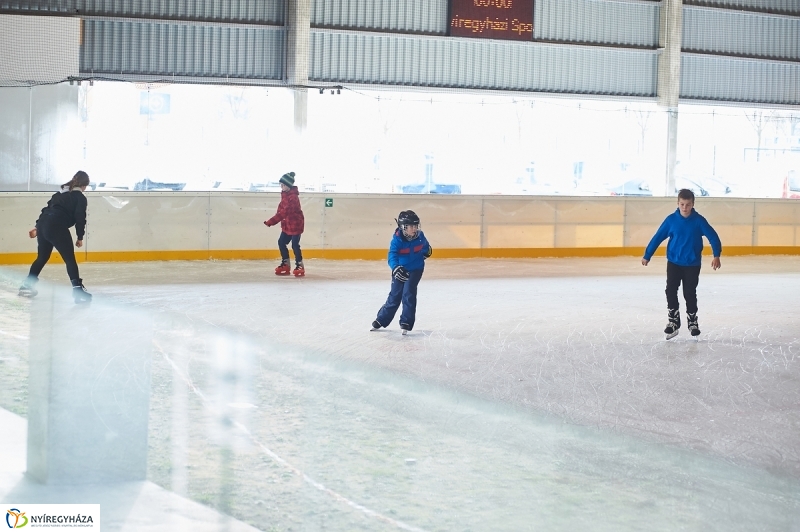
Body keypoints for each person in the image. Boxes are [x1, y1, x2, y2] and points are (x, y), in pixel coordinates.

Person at [642, 188, 721, 339]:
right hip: (674, 262)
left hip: (692, 264)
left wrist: (716, 255)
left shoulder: (699, 221)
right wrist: (647, 255)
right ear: (677, 203)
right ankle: (673, 321)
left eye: (688, 204)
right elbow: (658, 237)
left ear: (693, 204)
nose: (685, 208)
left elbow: (713, 236)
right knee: (670, 290)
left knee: (689, 292)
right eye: (682, 204)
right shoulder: (671, 220)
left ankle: (692, 322)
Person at [18, 170, 92, 303]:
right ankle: (77, 291)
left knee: (42, 257)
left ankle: (26, 286)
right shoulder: (80, 197)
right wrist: (80, 237)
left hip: (43, 224)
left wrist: (37, 226)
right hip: (56, 226)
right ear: (84, 185)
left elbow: (46, 210)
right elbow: (80, 218)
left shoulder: (59, 194)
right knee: (69, 259)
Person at [371, 210, 432, 335]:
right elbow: (392, 256)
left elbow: (426, 248)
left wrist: (426, 253)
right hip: (400, 270)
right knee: (395, 295)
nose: (414, 229)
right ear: (403, 227)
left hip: (416, 269)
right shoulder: (397, 240)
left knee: (409, 293)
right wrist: (395, 267)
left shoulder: (420, 236)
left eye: (416, 226)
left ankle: (406, 321)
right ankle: (381, 319)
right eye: (411, 226)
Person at [264, 172, 305, 277]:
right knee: (281, 242)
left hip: (296, 225)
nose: (281, 187)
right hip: (287, 225)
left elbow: (284, 212)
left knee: (295, 245)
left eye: (283, 185)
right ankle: (285, 263)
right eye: (280, 185)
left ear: (288, 185)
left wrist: (271, 221)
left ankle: (300, 265)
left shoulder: (293, 198)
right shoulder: (284, 195)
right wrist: (275, 219)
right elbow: (280, 210)